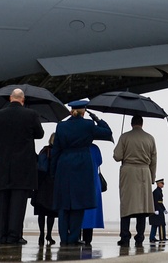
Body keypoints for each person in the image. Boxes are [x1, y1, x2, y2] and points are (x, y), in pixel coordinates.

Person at [0, 88, 45, 244]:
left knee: (2, 202)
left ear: (10, 98)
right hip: (23, 168)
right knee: (18, 204)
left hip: (2, 167)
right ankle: (14, 236)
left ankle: (1, 235)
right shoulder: (31, 115)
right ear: (23, 100)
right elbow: (40, 134)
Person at [52, 100, 112, 246]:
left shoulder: (61, 126)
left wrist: (54, 172)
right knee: (79, 204)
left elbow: (55, 150)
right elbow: (107, 133)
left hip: (64, 165)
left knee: (64, 205)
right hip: (81, 165)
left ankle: (64, 239)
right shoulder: (88, 125)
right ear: (84, 111)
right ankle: (73, 238)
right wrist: (98, 120)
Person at [112, 114, 158, 247]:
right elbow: (154, 160)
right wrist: (152, 178)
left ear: (131, 124)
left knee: (126, 205)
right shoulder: (150, 138)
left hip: (129, 172)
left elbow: (117, 156)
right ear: (142, 123)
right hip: (145, 172)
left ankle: (125, 237)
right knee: (142, 208)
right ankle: (140, 237)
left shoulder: (125, 137)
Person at [33, 133, 57, 245]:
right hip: (53, 185)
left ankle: (41, 234)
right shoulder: (58, 153)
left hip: (42, 184)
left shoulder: (44, 151)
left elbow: (39, 167)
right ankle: (49, 234)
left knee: (41, 212)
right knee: (51, 213)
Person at [81, 143, 105, 244]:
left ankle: (75, 236)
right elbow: (99, 162)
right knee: (90, 212)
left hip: (80, 180)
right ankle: (88, 238)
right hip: (94, 181)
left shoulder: (77, 147)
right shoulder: (95, 148)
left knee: (78, 210)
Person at [149, 179, 167, 243]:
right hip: (156, 209)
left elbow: (160, 202)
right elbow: (155, 202)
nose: (163, 185)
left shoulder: (159, 191)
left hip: (159, 208)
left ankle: (155, 237)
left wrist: (164, 209)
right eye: (162, 183)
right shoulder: (156, 192)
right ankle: (160, 237)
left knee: (157, 224)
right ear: (158, 184)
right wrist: (155, 210)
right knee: (158, 224)